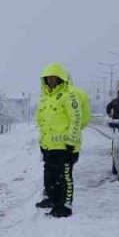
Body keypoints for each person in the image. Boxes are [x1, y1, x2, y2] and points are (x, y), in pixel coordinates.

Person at [35, 62, 84, 218]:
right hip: (49, 146)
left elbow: (76, 119)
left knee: (64, 177)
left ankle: (64, 206)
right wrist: (42, 144)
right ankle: (53, 201)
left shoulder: (69, 95)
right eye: (48, 78)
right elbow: (43, 123)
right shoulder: (46, 99)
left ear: (60, 79)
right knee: (50, 176)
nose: (51, 81)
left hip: (65, 146)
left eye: (54, 78)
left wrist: (70, 142)